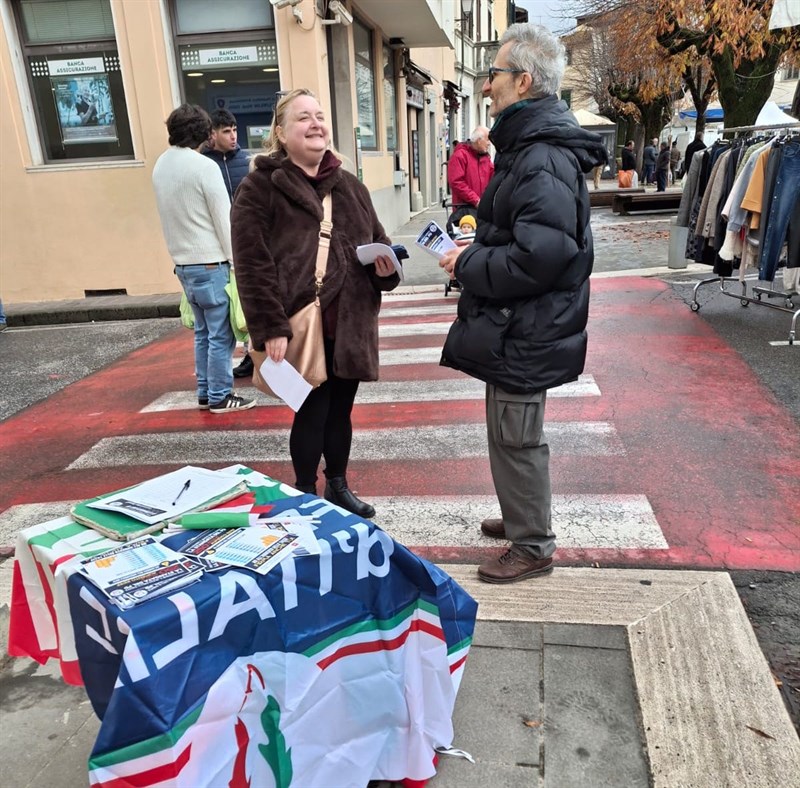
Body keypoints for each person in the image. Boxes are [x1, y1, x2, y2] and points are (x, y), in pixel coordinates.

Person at [438, 24, 607, 583]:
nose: (487, 88)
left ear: (523, 81)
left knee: (517, 433)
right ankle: (520, 517)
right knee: (508, 428)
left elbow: (541, 257)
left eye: (494, 76)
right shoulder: (529, 150)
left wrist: (466, 264)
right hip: (517, 321)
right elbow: (525, 238)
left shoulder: (539, 156)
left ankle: (533, 544)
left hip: (527, 322)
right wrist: (477, 246)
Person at [231, 89, 400, 517]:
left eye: (320, 116)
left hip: (349, 322)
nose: (315, 124)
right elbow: (251, 264)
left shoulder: (350, 186)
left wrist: (386, 269)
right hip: (298, 323)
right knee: (311, 411)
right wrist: (269, 327)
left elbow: (378, 241)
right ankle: (305, 491)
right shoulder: (259, 187)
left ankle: (338, 486)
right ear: (281, 133)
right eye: (303, 117)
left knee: (341, 411)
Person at [152, 104, 255, 414]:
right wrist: (237, 261)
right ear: (204, 134)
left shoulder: (161, 165)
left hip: (183, 264)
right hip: (211, 262)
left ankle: (204, 391)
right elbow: (225, 221)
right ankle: (221, 395)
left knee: (202, 332)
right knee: (221, 334)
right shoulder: (203, 167)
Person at [203, 109, 254, 379]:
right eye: (226, 131)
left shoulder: (244, 161)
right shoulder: (204, 163)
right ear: (212, 134)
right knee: (231, 304)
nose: (233, 135)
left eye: (234, 129)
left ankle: (253, 353)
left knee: (251, 299)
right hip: (219, 244)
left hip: (248, 238)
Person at [446, 126, 494, 234]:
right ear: (479, 140)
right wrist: (476, 200)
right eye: (487, 139)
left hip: (482, 211)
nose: (489, 143)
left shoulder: (485, 158)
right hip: (464, 212)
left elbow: (493, 177)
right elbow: (457, 182)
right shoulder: (460, 156)